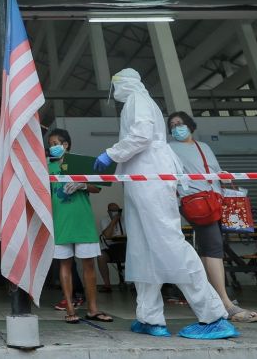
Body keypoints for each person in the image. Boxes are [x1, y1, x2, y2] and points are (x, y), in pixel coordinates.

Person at [94, 69, 237, 340]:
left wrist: (111, 153)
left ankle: (214, 316)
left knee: (168, 243)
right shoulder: (140, 101)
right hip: (140, 180)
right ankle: (149, 317)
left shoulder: (137, 100)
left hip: (151, 179)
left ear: (124, 84)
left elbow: (142, 135)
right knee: (143, 249)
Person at [169, 111, 257, 324]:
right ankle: (226, 304)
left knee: (208, 249)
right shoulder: (169, 148)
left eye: (180, 123)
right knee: (214, 248)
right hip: (196, 202)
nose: (176, 128)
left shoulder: (204, 147)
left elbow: (215, 171)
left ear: (190, 125)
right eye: (173, 125)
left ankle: (213, 298)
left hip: (216, 199)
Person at [47, 128, 113, 325]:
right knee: (65, 264)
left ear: (66, 144)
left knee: (88, 265)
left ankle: (93, 309)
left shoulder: (80, 163)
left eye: (56, 143)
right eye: (50, 145)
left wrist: (82, 185)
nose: (53, 148)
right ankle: (69, 308)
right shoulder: (47, 167)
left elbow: (98, 187)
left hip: (82, 220)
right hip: (60, 220)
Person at [96, 202, 125, 292]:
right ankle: (107, 285)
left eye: (117, 211)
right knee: (101, 256)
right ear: (109, 212)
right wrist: (114, 221)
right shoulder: (105, 220)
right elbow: (107, 235)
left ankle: (134, 283)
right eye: (113, 211)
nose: (116, 213)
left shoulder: (126, 219)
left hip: (125, 246)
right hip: (111, 248)